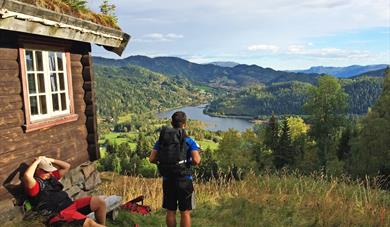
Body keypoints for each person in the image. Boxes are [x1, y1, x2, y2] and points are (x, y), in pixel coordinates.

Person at [149, 111, 201, 227]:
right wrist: (187, 162)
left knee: (170, 211)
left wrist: (163, 163)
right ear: (185, 124)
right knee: (185, 212)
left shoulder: (162, 140)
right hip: (184, 180)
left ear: (172, 123)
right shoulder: (188, 141)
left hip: (168, 179)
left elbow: (151, 158)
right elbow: (197, 160)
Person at [23, 156, 107, 227]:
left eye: (50, 171)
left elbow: (67, 166)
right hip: (59, 214)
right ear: (38, 170)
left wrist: (49, 160)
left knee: (99, 202)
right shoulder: (35, 185)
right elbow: (27, 175)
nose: (50, 173)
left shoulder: (50, 177)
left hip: (71, 205)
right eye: (46, 171)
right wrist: (37, 161)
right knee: (90, 223)